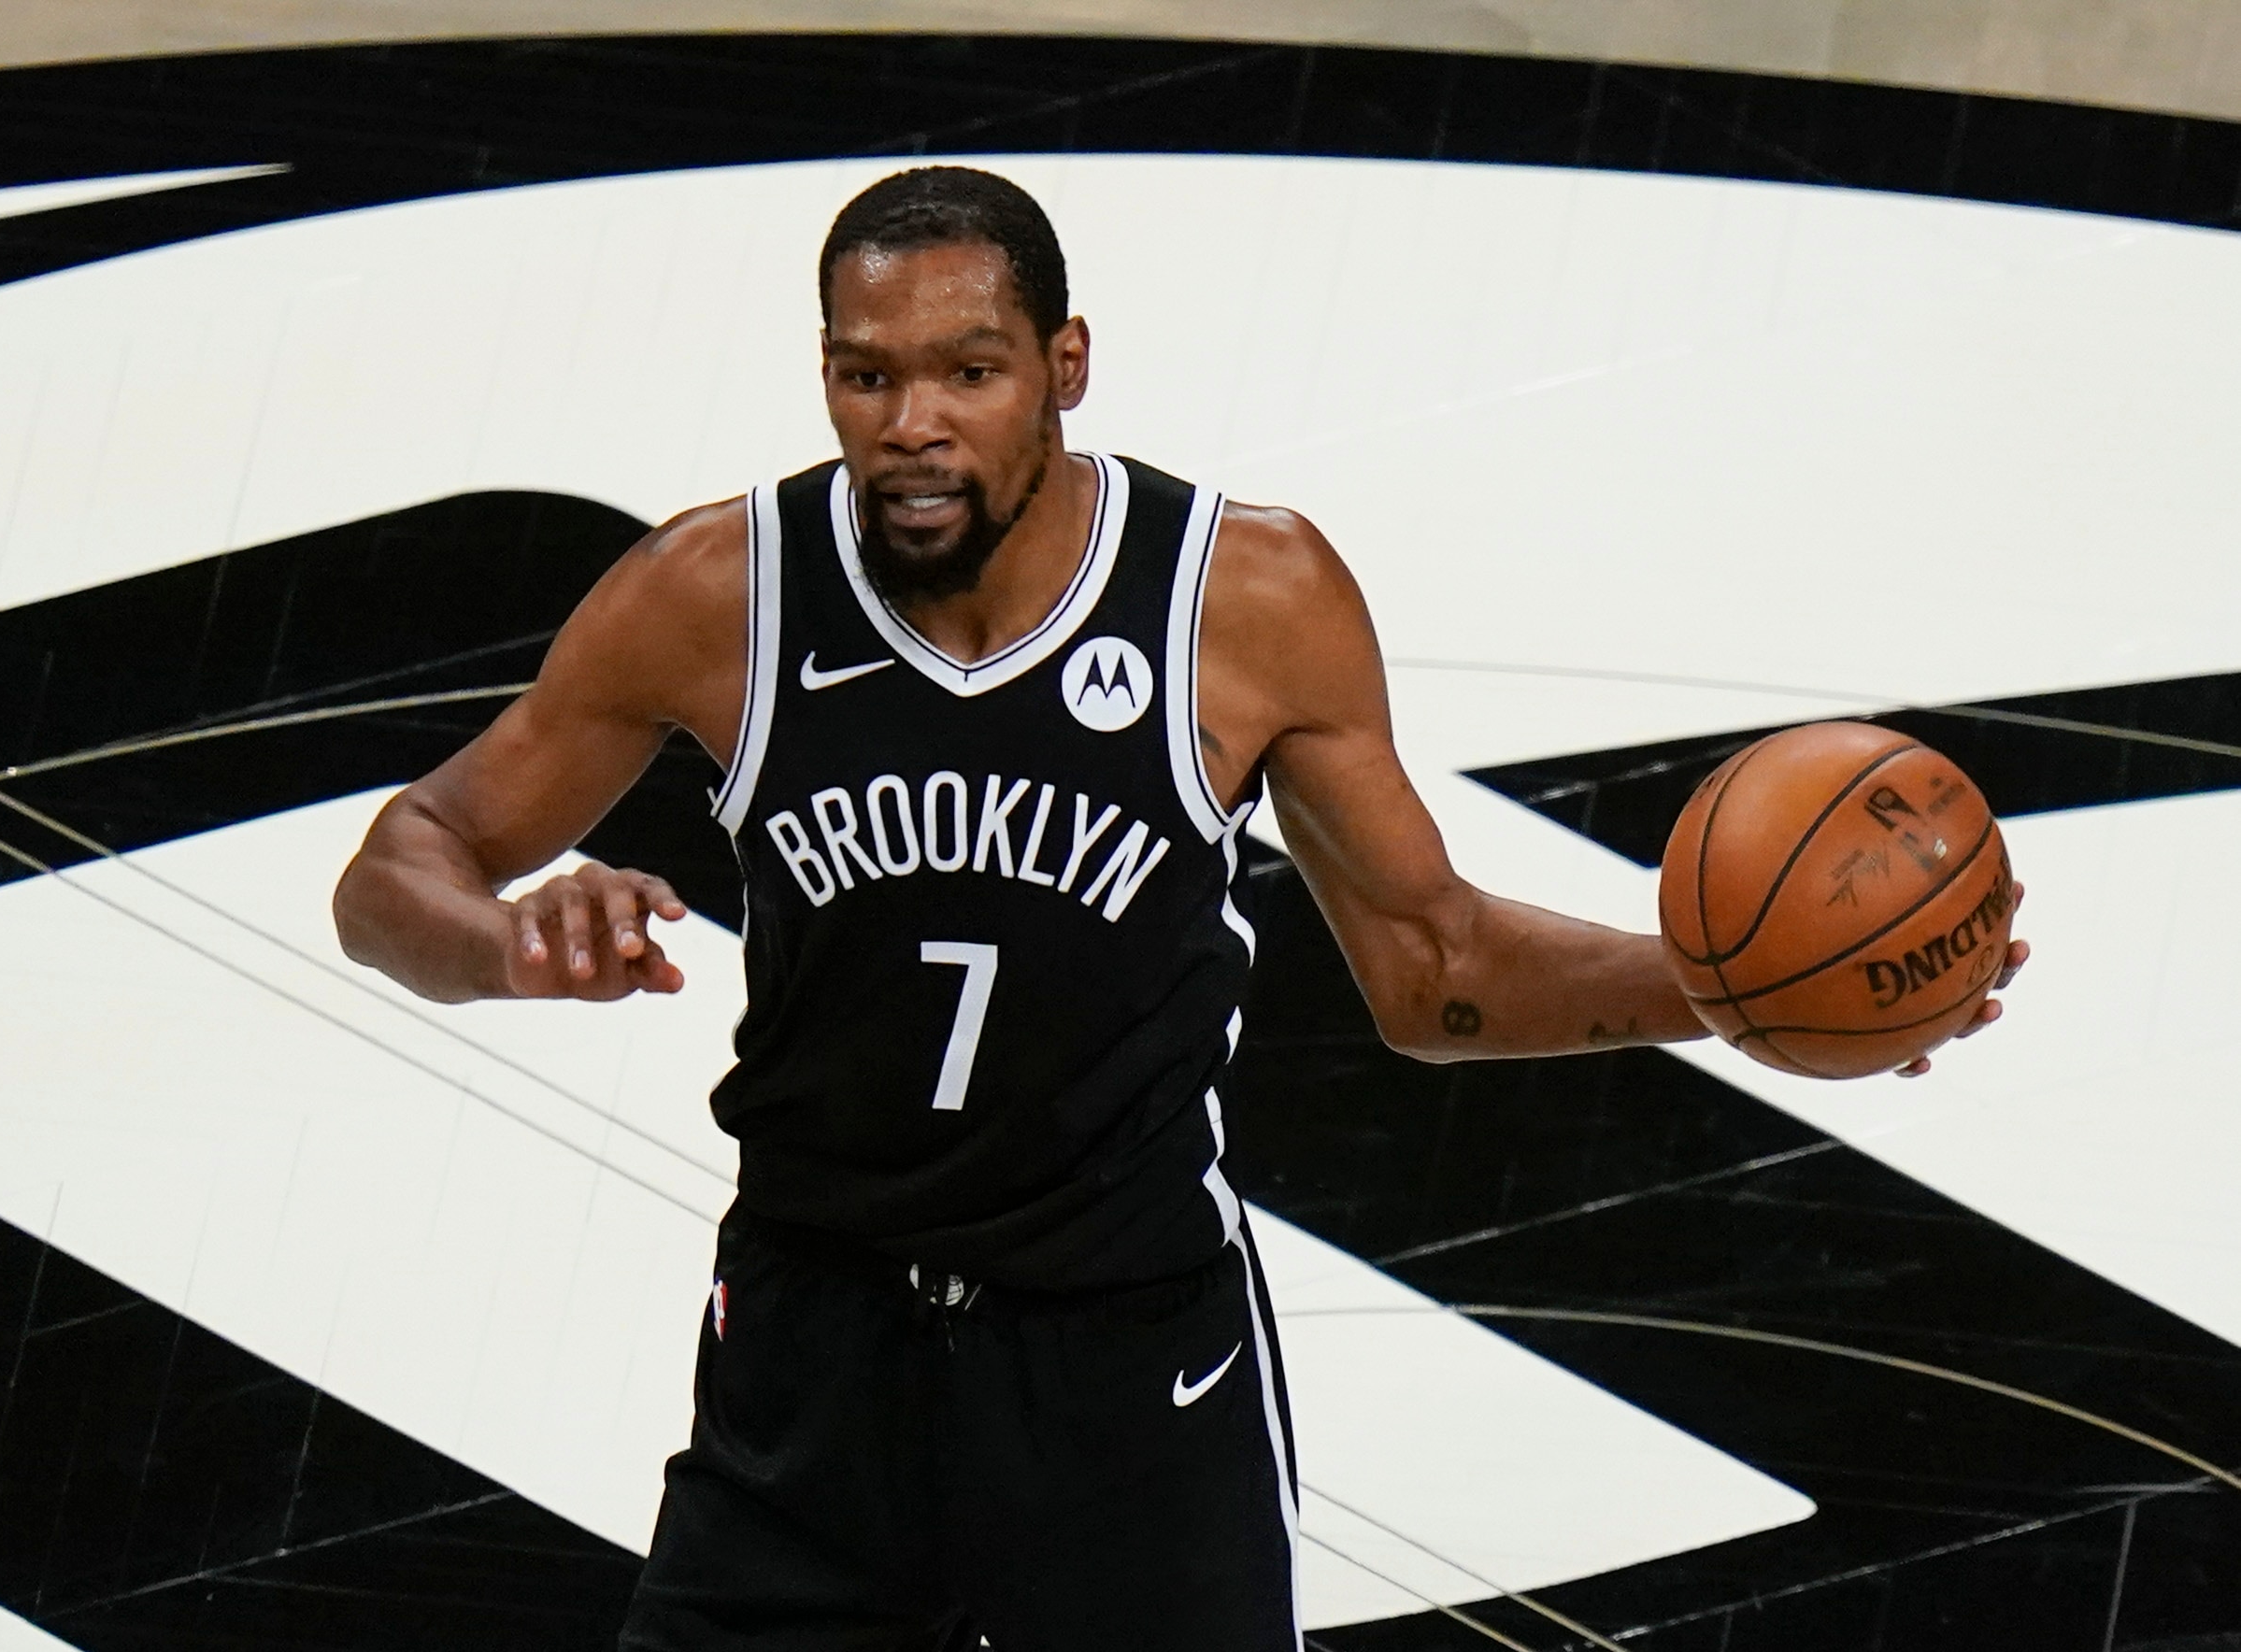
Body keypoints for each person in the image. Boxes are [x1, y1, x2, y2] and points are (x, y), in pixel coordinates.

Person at [333, 165, 2027, 1650]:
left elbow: (1433, 973)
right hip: (813, 1353)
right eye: (868, 376)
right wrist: (502, 941)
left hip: (1129, 1365)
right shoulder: (721, 592)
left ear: (1065, 367)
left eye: (969, 372)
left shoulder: (1245, 596)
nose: (911, 420)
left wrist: (1729, 988)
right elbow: (400, 865)